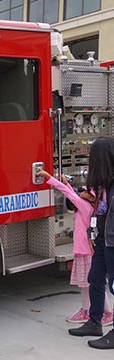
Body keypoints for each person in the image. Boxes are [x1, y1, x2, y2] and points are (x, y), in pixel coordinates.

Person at [36, 169, 112, 325]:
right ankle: (87, 310)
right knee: (87, 284)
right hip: (83, 250)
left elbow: (71, 196)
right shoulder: (90, 205)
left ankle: (106, 312)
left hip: (85, 251)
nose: (82, 192)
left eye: (85, 190)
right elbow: (74, 195)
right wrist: (66, 183)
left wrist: (49, 178)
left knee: (93, 284)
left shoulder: (85, 207)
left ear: (91, 196)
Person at [68, 136, 114, 349]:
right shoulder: (103, 185)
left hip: (112, 241)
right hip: (103, 240)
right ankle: (94, 321)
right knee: (95, 278)